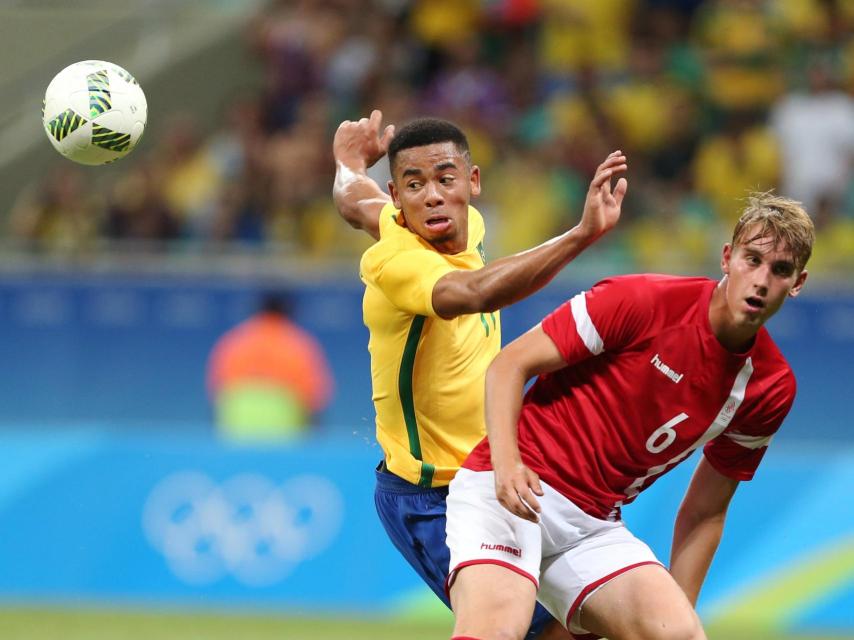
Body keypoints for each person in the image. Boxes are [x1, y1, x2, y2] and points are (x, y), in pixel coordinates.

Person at [445, 193, 815, 640]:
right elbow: (509, 364)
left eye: (779, 270)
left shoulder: (770, 387)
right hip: (509, 490)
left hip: (592, 528)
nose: (760, 280)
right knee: (498, 631)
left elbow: (705, 511)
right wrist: (507, 465)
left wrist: (678, 614)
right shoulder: (642, 300)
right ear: (727, 258)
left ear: (798, 283)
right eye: (752, 260)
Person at [332, 109, 627, 638]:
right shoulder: (396, 260)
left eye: (445, 179)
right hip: (431, 496)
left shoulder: (462, 226)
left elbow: (354, 200)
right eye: (414, 186)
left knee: (579, 627)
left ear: (472, 181)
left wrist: (348, 160)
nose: (432, 196)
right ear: (397, 199)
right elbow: (475, 292)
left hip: (497, 477)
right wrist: (581, 236)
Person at [206, 292, 333, 441]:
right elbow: (315, 399)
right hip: (284, 428)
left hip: (236, 426)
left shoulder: (235, 340)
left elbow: (217, 390)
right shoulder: (299, 343)